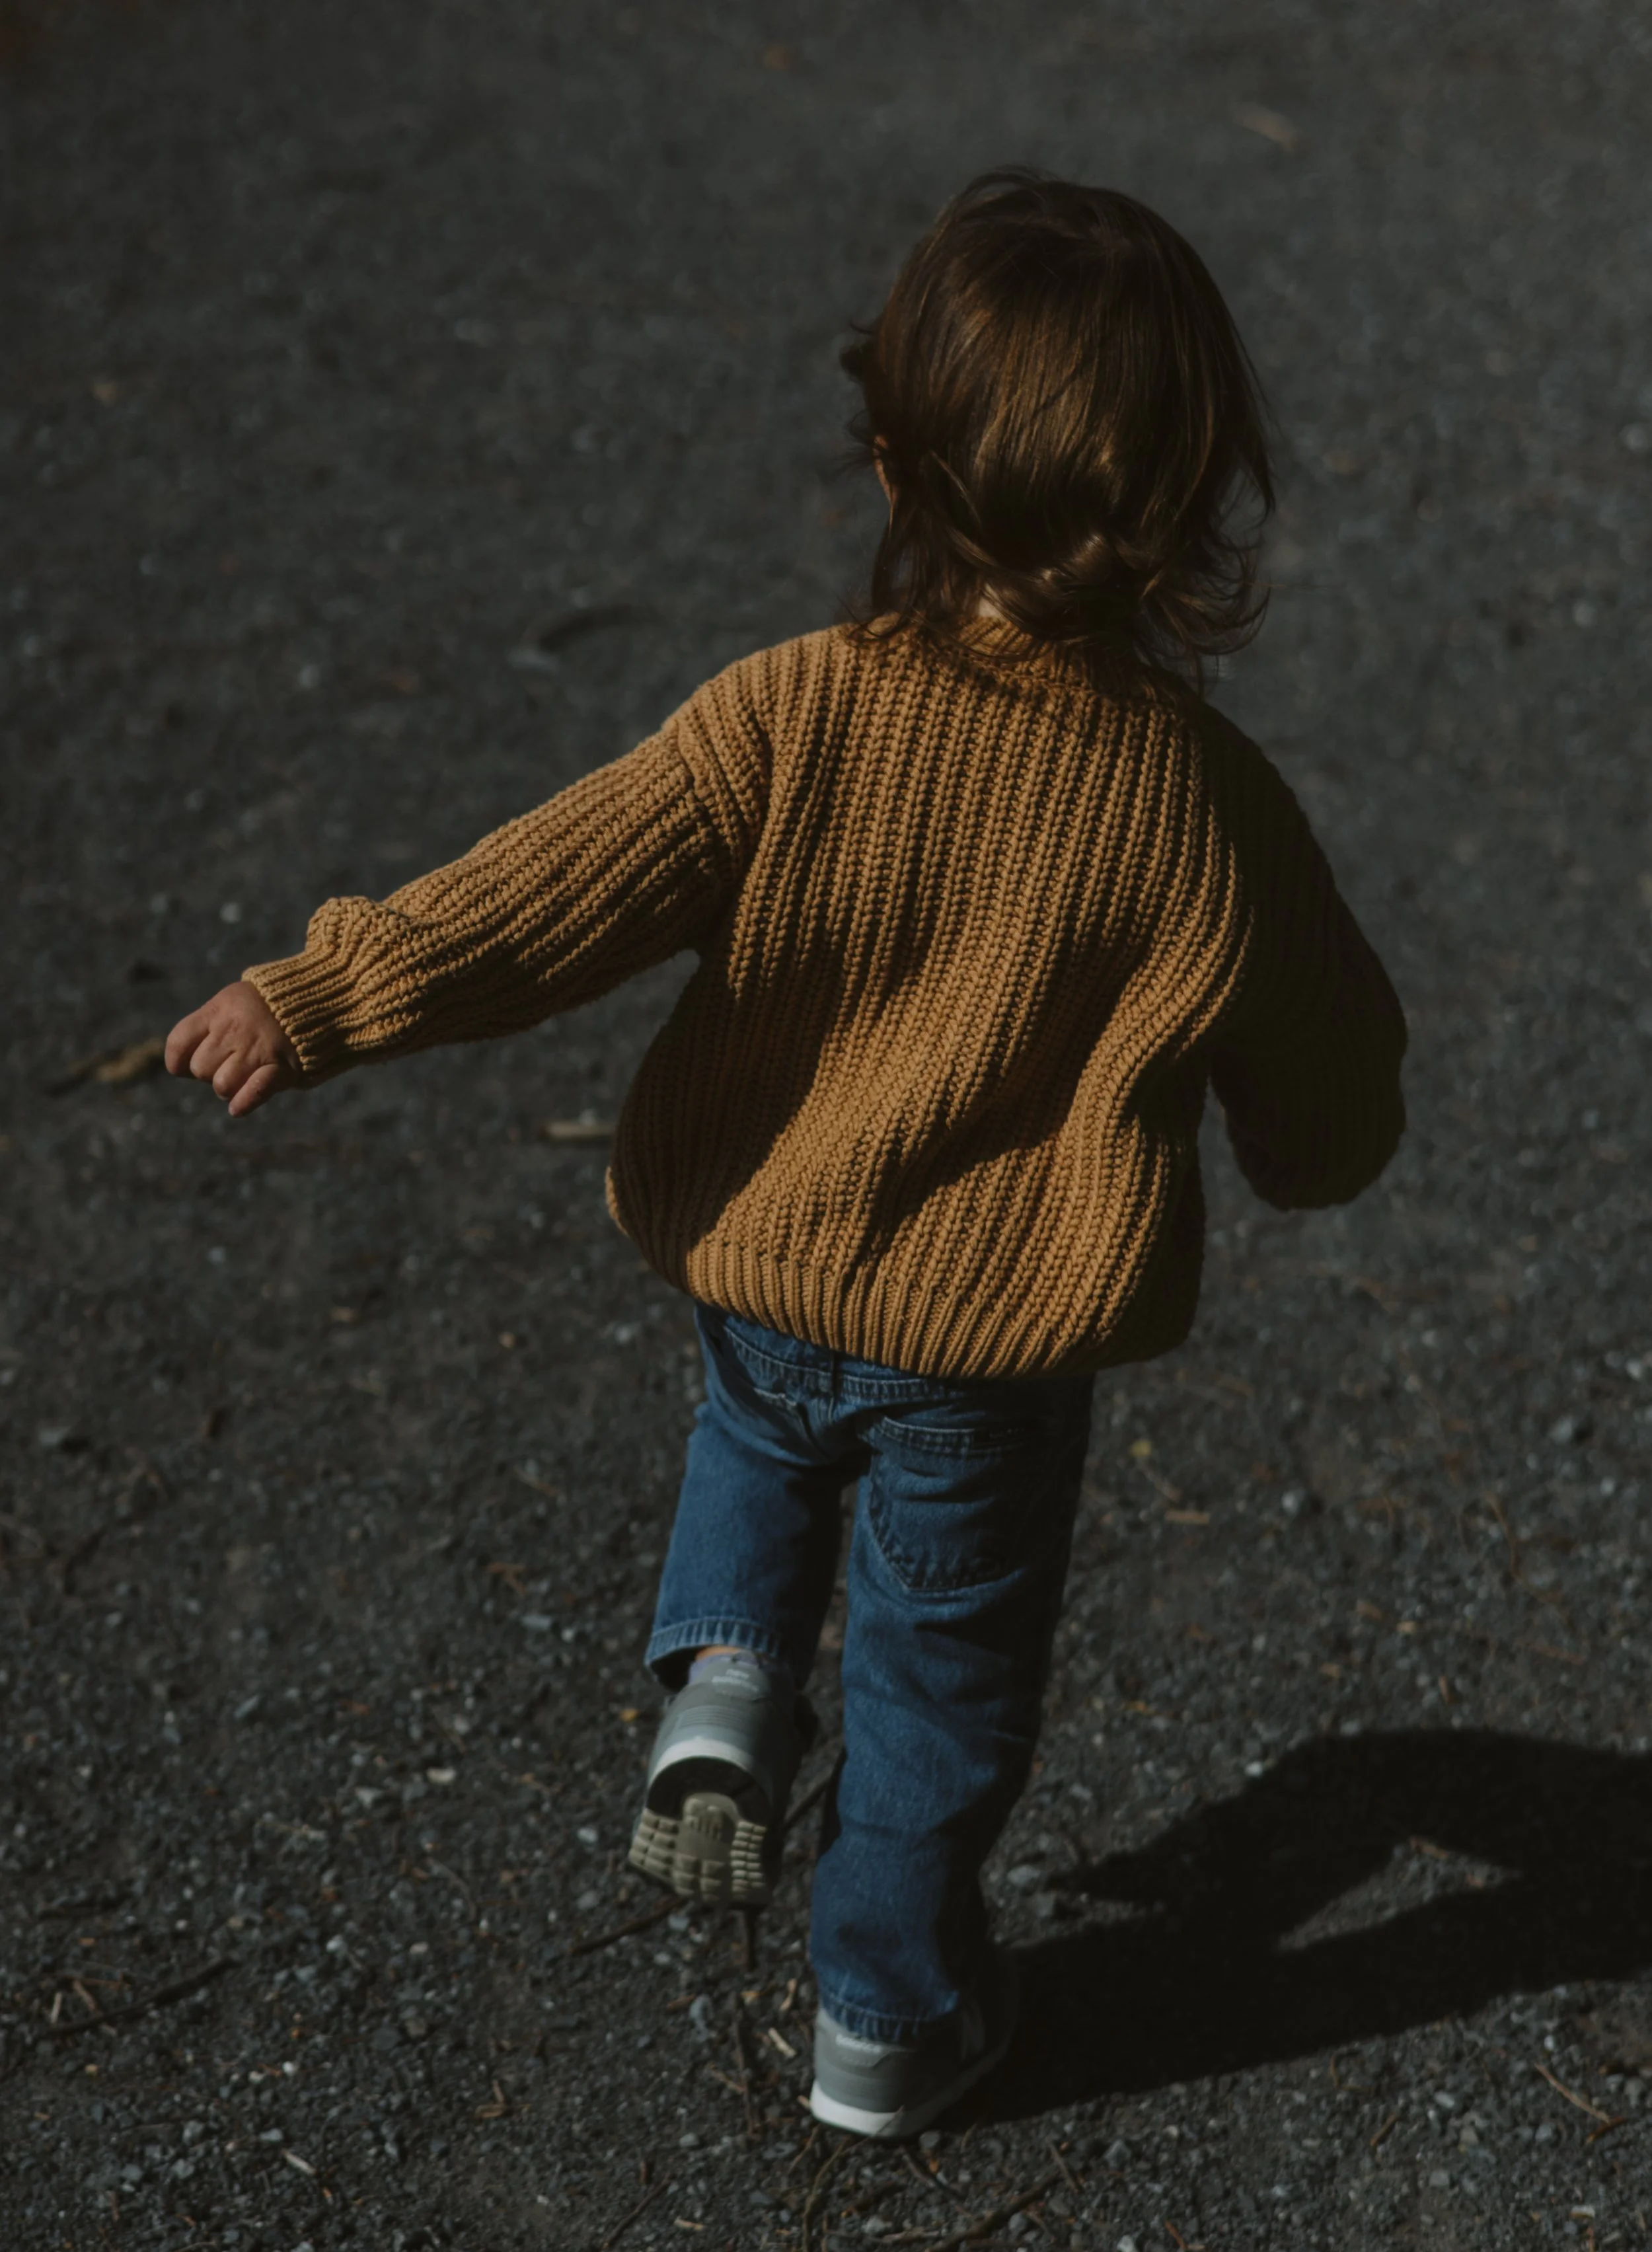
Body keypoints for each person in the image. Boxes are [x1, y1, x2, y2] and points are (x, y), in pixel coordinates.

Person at [166, 170, 1406, 2140]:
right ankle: (885, 2022)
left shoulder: (789, 714)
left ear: (896, 447)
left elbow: (544, 893)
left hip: (768, 1267)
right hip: (989, 1363)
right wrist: (1309, 1148)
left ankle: (725, 1671)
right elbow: (1331, 1082)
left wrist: (321, 994)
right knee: (938, 1683)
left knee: (755, 1432)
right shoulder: (1209, 814)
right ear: (1184, 501)